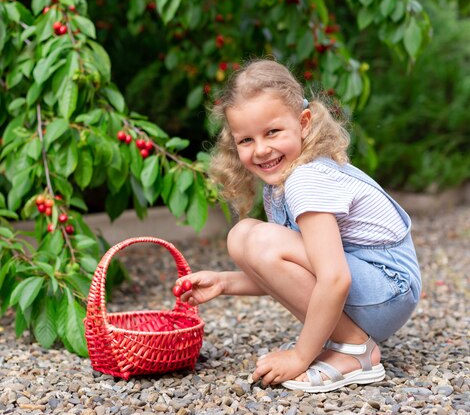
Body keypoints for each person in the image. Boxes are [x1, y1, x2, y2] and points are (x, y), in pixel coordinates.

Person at [175, 58, 422, 393]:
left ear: (303, 122)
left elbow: (334, 277)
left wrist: (300, 356)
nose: (261, 150)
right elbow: (294, 270)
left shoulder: (307, 179)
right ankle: (348, 342)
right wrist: (224, 282)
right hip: (376, 292)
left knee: (254, 237)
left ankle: (355, 350)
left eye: (273, 132)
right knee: (244, 236)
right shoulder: (281, 184)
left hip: (387, 288)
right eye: (245, 140)